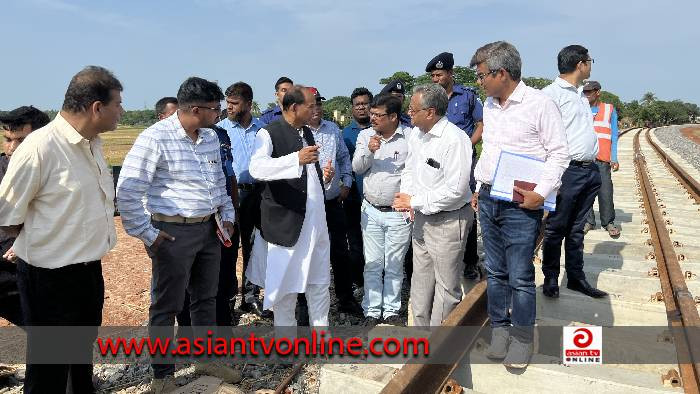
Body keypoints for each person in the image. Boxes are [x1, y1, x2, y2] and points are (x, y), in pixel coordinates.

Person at [0, 66, 122, 393]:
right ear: (97, 108)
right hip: (48, 276)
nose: (121, 111)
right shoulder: (40, 148)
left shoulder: (90, 142)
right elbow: (9, 216)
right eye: (118, 104)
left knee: (80, 358)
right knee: (49, 370)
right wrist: (48, 238)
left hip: (86, 270)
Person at [117, 77, 240, 392]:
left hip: (210, 229)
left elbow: (218, 185)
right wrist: (148, 234)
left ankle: (206, 358)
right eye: (215, 109)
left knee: (206, 298)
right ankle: (163, 375)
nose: (220, 115)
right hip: (171, 233)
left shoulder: (210, 137)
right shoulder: (154, 138)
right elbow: (128, 191)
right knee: (166, 306)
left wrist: (226, 217)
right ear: (196, 109)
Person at [469, 41, 569, 369]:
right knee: (495, 273)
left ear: (501, 72)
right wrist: (480, 186)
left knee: (521, 276)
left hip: (521, 205)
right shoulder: (490, 104)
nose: (479, 81)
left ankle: (523, 339)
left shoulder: (540, 104)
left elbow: (558, 153)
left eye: (482, 75)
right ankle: (500, 331)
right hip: (488, 198)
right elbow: (493, 150)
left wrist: (542, 192)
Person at [248, 85, 334, 327]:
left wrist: (322, 178)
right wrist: (295, 159)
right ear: (294, 107)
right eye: (311, 105)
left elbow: (307, 173)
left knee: (319, 284)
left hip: (315, 224)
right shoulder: (268, 133)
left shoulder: (305, 131)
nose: (315, 110)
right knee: (284, 289)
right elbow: (257, 168)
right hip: (288, 225)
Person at [392, 83, 473, 327]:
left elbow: (456, 190)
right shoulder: (417, 135)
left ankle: (439, 345)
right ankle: (419, 337)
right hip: (421, 218)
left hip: (449, 220)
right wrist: (407, 197)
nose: (408, 112)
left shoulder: (455, 140)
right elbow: (410, 169)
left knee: (447, 287)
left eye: (413, 109)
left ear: (430, 112)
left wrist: (415, 201)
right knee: (421, 280)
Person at [541, 45, 607, 299]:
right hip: (567, 171)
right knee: (557, 228)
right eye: (590, 60)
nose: (590, 64)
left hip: (589, 171)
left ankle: (576, 277)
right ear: (581, 64)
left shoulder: (580, 94)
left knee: (577, 229)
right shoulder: (551, 95)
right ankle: (550, 278)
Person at [353, 94, 412, 326]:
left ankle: (391, 310)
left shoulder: (410, 137)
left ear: (394, 117)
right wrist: (369, 151)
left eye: (378, 115)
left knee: (395, 264)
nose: (373, 118)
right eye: (372, 114)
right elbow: (357, 168)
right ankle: (372, 310)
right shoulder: (365, 135)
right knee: (373, 263)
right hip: (371, 211)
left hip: (398, 212)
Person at [426, 51, 484, 280]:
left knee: (466, 206)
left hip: (463, 163)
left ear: (450, 73)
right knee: (439, 203)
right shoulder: (430, 99)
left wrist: (466, 145)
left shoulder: (468, 97)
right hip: (436, 164)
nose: (435, 79)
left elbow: (481, 124)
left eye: (439, 75)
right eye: (432, 76)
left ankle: (470, 261)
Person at [306, 87, 362, 317]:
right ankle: (306, 307)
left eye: (319, 104)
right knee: (309, 255)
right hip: (308, 206)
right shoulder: (297, 133)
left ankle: (345, 299)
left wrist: (347, 182)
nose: (317, 108)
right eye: (312, 104)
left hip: (332, 202)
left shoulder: (333, 130)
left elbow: (343, 158)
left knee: (340, 252)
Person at [217, 82, 268, 315]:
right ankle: (228, 298)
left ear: (248, 104)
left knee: (255, 246)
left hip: (259, 194)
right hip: (231, 196)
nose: (229, 107)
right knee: (228, 248)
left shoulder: (263, 129)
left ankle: (251, 296)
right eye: (228, 103)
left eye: (234, 104)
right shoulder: (219, 131)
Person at [0, 106, 50, 326]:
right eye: (7, 139)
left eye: (20, 141)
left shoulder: (57, 173)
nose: (11, 148)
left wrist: (27, 240)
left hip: (36, 265)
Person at [341, 87, 373, 295]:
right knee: (355, 242)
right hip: (353, 197)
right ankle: (359, 282)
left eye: (365, 103)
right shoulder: (344, 134)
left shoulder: (381, 129)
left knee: (377, 244)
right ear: (352, 108)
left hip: (376, 198)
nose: (361, 107)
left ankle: (378, 281)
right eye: (357, 104)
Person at [583, 80, 620, 237]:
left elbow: (614, 135)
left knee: (605, 191)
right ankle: (588, 221)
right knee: (584, 192)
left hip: (602, 158)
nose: (586, 94)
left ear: (598, 92)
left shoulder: (609, 109)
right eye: (585, 92)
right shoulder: (580, 109)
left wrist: (614, 157)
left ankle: (608, 222)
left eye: (590, 92)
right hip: (584, 158)